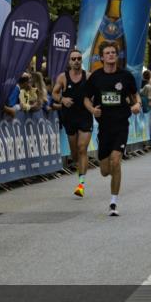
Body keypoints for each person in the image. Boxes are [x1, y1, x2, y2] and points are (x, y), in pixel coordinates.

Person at [84, 42, 141, 217]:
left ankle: (113, 203)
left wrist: (137, 104)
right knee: (104, 171)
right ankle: (112, 170)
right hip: (104, 128)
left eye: (113, 53)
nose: (110, 55)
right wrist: (92, 110)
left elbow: (135, 95)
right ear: (101, 57)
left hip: (121, 125)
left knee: (116, 162)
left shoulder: (125, 76)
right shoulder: (96, 77)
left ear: (117, 56)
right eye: (107, 53)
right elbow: (86, 98)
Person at [52, 49, 92, 198]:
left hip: (85, 116)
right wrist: (62, 99)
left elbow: (96, 93)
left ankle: (81, 184)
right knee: (75, 154)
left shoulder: (88, 76)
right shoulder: (63, 77)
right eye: (73, 59)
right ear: (69, 61)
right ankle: (79, 169)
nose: (76, 61)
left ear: (82, 60)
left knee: (82, 149)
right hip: (69, 117)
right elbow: (54, 93)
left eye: (79, 58)